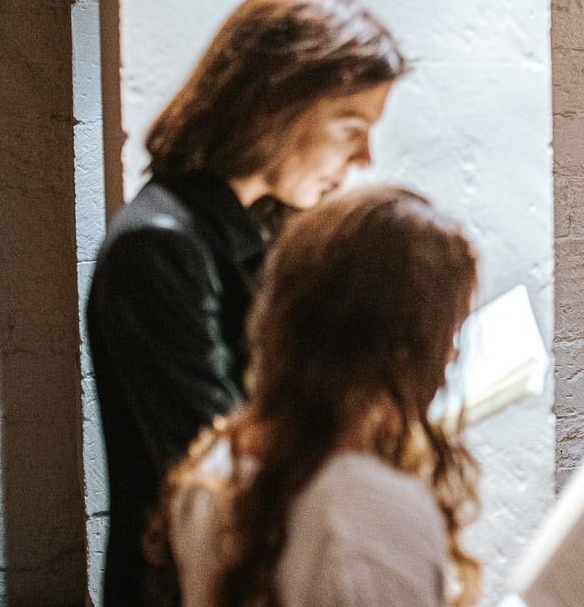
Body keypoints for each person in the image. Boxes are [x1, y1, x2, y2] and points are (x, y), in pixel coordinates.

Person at [86, 0, 407, 607]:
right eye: (350, 126)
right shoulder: (158, 247)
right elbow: (217, 465)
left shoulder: (264, 222)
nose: (366, 157)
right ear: (274, 106)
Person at [151, 185, 483, 607]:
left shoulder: (216, 464)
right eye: (450, 328)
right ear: (402, 343)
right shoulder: (374, 512)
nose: (453, 352)